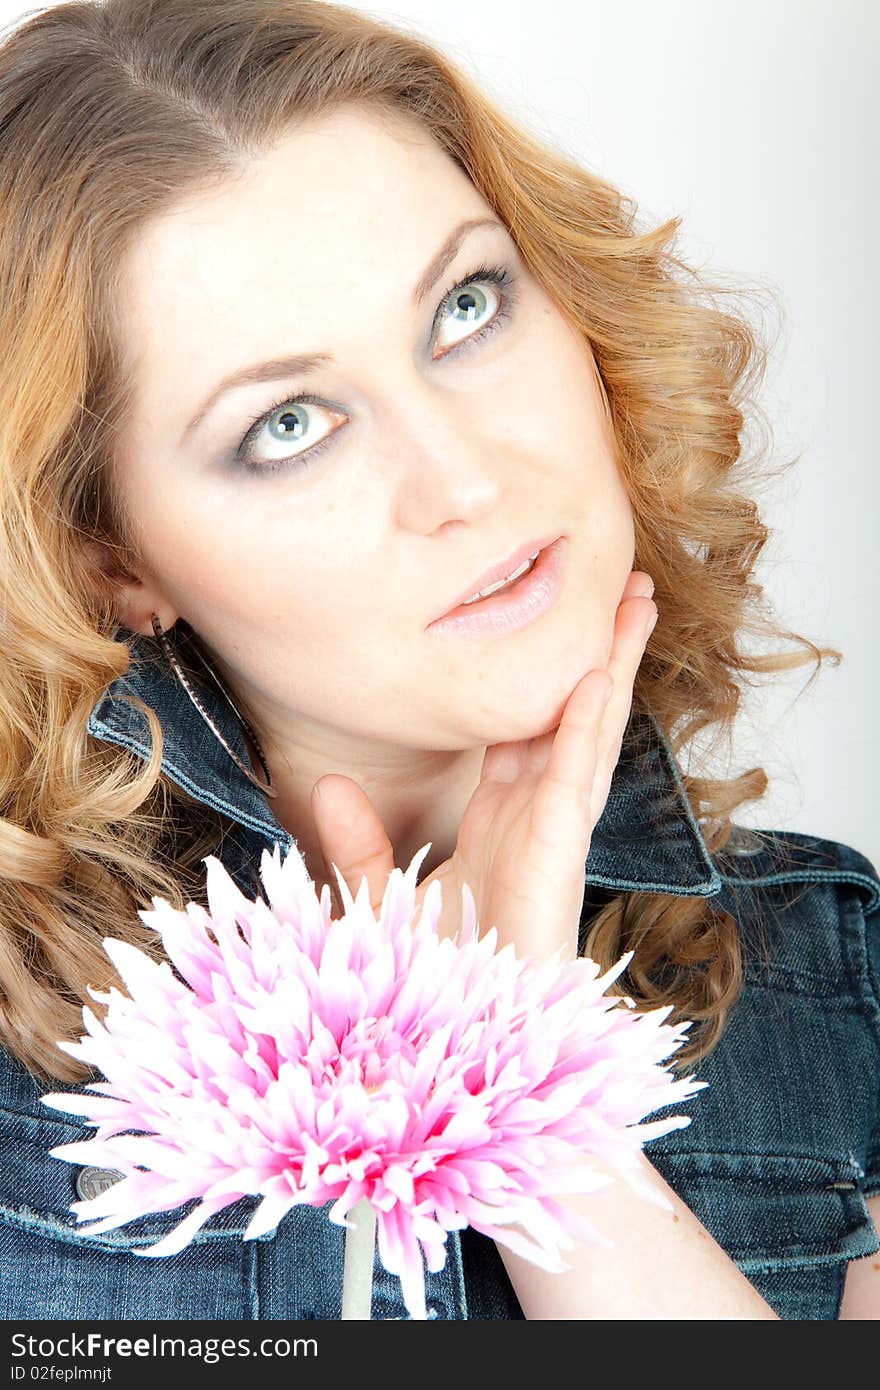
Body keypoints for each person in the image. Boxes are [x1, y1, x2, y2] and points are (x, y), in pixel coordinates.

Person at [0, 0, 877, 1322]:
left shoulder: (839, 975)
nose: (467, 477)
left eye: (469, 306)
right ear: (113, 562)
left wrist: (526, 1087)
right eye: (289, 424)